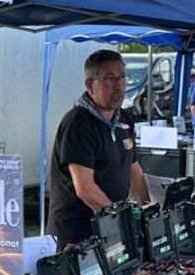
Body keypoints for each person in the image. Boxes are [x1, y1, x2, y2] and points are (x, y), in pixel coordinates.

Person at [48, 49, 150, 246]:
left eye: (122, 77)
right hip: (77, 236)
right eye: (109, 79)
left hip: (109, 230)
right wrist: (121, 221)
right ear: (90, 85)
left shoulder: (125, 120)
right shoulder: (77, 123)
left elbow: (135, 170)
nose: (119, 86)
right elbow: (85, 188)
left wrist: (147, 214)